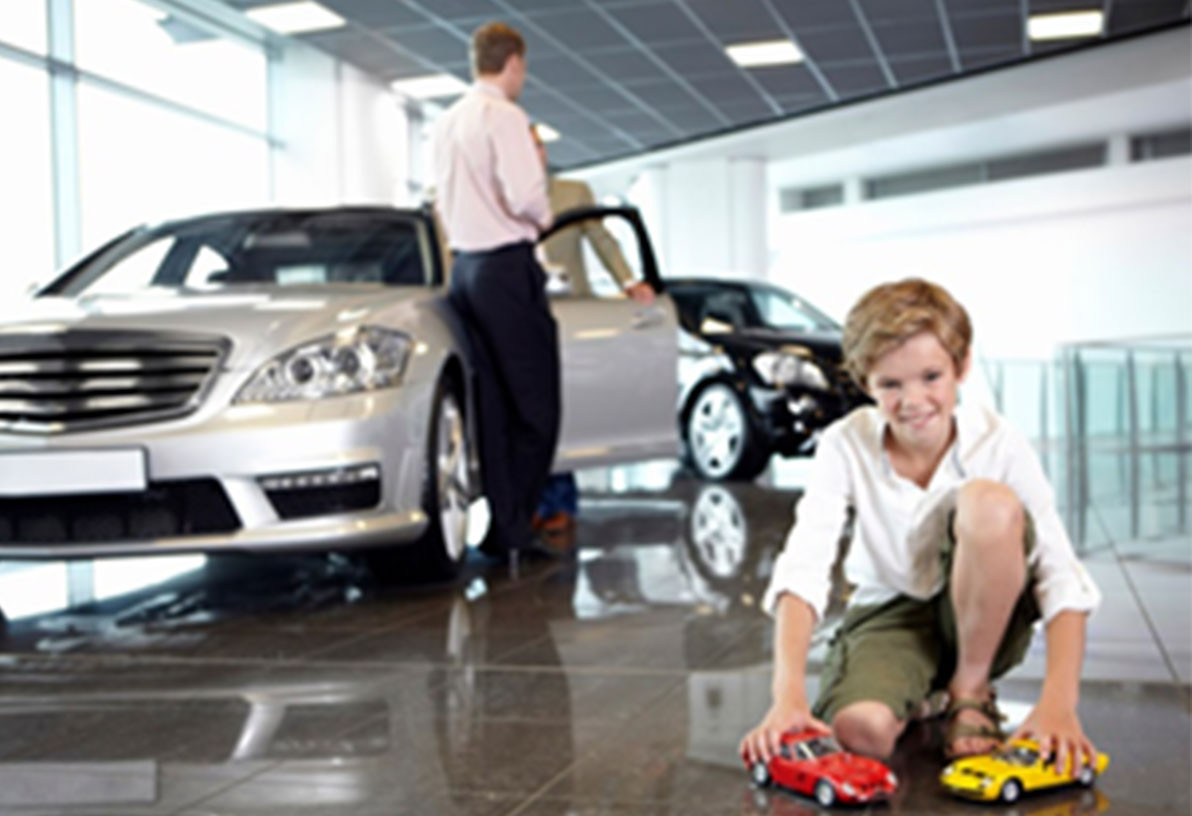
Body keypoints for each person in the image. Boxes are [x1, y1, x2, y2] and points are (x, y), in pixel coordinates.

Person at [740, 279, 1101, 776]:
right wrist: (787, 698)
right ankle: (925, 690)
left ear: (962, 367)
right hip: (891, 617)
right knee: (862, 731)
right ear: (865, 382)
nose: (913, 400)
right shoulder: (844, 444)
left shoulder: (999, 443)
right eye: (890, 384)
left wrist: (1059, 704)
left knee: (990, 503)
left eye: (931, 377)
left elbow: (1060, 573)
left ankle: (970, 689)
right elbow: (804, 564)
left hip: (986, 621)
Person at [432, 22, 556, 559]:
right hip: (506, 267)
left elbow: (440, 199)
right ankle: (515, 527)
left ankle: (504, 527)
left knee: (493, 408)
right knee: (536, 406)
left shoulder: (446, 121)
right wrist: (545, 217)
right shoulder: (504, 116)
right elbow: (524, 193)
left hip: (465, 271)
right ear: (514, 63)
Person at [529, 123, 654, 538]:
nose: (534, 154)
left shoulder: (573, 192)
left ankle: (559, 503)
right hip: (522, 317)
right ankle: (532, 502)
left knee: (561, 415)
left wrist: (628, 281)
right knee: (530, 414)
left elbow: (601, 239)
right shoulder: (502, 201)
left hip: (570, 317)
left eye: (538, 147)